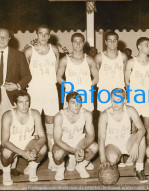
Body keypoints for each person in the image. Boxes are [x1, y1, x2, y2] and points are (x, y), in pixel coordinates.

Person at [57, 32, 98, 172]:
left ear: (84, 43)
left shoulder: (90, 59)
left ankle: (84, 158)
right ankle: (72, 157)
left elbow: (96, 78)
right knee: (69, 126)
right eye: (75, 42)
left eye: (80, 42)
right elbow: (58, 77)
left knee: (87, 128)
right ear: (71, 43)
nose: (78, 44)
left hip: (86, 97)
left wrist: (87, 88)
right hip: (70, 97)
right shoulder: (65, 60)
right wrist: (69, 88)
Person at [24, 25, 60, 171]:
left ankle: (51, 158)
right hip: (34, 91)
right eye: (41, 34)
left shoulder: (55, 50)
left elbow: (56, 71)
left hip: (50, 90)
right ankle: (32, 161)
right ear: (36, 35)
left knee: (50, 126)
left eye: (46, 34)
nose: (43, 37)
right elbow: (26, 73)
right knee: (34, 127)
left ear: (49, 36)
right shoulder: (29, 51)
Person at [0, 27, 32, 176]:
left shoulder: (18, 55)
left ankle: (12, 166)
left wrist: (17, 86)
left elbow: (27, 76)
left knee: (11, 129)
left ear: (10, 38)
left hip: (11, 94)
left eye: (5, 37)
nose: (2, 40)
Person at [98, 88, 148, 183]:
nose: (116, 103)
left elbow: (142, 129)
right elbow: (101, 139)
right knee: (112, 158)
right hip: (112, 144)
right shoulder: (105, 115)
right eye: (113, 100)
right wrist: (103, 160)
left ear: (124, 100)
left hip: (127, 141)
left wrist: (135, 145)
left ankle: (139, 169)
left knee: (141, 138)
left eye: (119, 99)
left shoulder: (130, 110)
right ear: (110, 100)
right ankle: (113, 166)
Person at [1, 90, 47, 186]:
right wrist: (22, 153)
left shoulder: (34, 113)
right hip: (11, 143)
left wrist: (35, 149)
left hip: (27, 142)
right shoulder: (8, 115)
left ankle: (32, 167)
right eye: (21, 102)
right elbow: (4, 141)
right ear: (15, 104)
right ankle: (6, 172)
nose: (25, 105)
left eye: (27, 101)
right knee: (5, 152)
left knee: (43, 148)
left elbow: (42, 137)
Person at [53, 92, 98, 181]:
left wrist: (80, 147)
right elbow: (57, 140)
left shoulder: (86, 114)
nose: (77, 105)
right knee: (58, 154)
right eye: (73, 102)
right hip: (64, 143)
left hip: (79, 141)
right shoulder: (59, 116)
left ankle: (81, 166)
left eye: (79, 102)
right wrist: (74, 150)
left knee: (94, 147)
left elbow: (91, 135)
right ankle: (60, 168)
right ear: (66, 104)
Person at [125, 37, 149, 129]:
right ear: (139, 47)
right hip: (135, 98)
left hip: (148, 98)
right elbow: (127, 82)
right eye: (147, 45)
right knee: (134, 127)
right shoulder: (131, 62)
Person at [95, 31, 128, 112]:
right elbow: (95, 77)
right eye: (110, 40)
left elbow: (126, 77)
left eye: (114, 40)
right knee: (103, 117)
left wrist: (127, 93)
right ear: (106, 42)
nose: (112, 43)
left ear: (117, 41)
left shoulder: (123, 57)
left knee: (120, 117)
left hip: (119, 91)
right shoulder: (99, 57)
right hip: (104, 91)